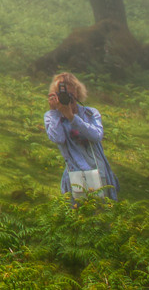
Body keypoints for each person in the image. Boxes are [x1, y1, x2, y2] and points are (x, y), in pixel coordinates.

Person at [44, 71, 118, 202]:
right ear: (55, 96)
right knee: (77, 215)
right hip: (74, 174)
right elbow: (58, 139)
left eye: (71, 94)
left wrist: (72, 118)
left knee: (103, 212)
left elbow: (96, 136)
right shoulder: (52, 116)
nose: (68, 99)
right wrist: (56, 112)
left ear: (77, 93)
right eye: (63, 95)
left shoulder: (90, 113)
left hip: (99, 171)